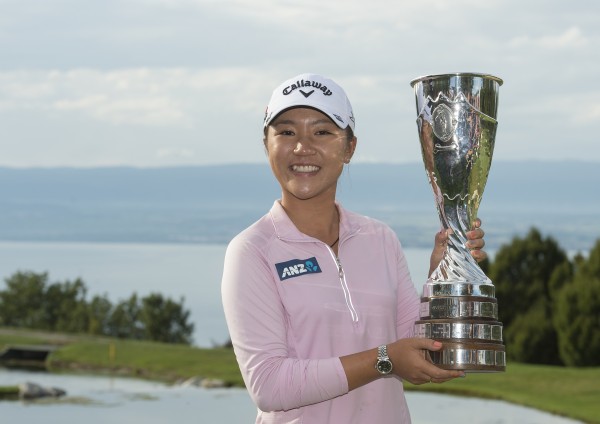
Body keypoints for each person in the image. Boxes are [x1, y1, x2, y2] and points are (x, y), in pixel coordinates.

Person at [221, 73, 487, 423]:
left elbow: (417, 347)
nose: (302, 147)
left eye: (322, 132)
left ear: (349, 147)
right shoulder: (252, 250)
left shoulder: (379, 239)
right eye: (286, 132)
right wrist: (384, 358)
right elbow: (269, 385)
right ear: (266, 143)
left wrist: (443, 277)